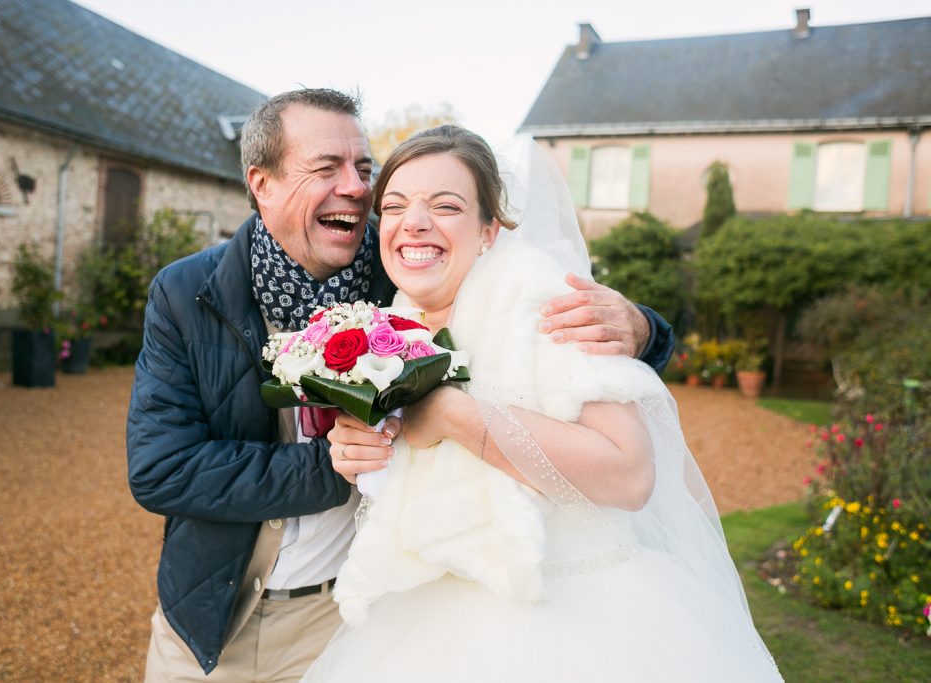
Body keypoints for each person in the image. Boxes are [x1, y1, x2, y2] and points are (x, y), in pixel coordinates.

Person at [126, 89, 675, 682]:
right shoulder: (187, 292)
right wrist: (332, 466)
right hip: (207, 618)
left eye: (364, 169)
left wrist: (644, 327)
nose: (358, 188)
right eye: (326, 167)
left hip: (343, 622)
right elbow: (161, 468)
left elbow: (526, 296)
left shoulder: (396, 267)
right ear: (262, 182)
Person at [305, 126, 782, 682]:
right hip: (426, 609)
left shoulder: (548, 303)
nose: (414, 221)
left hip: (574, 618)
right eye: (395, 205)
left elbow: (630, 475)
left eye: (446, 205)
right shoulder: (395, 325)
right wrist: (359, 447)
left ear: (489, 230)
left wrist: (455, 416)